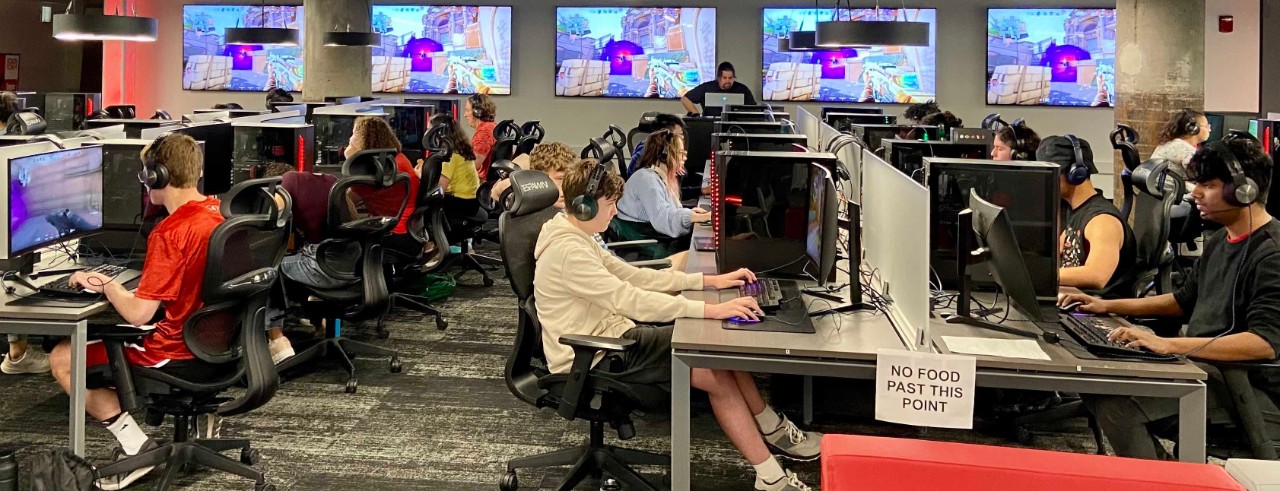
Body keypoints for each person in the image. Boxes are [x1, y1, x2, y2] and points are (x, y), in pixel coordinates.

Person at [534, 160, 822, 490]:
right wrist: (711, 310)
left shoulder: (576, 235)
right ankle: (771, 476)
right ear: (584, 207)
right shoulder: (569, 251)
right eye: (610, 204)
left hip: (610, 334)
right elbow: (630, 299)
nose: (614, 212)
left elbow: (635, 276)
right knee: (710, 364)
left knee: (718, 349)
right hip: (593, 354)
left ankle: (771, 428)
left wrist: (709, 281)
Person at [1061, 137, 1280, 460]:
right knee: (1100, 383)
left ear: (1244, 190)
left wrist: (1169, 345)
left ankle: (1167, 480)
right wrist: (1106, 305)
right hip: (1208, 369)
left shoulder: (1272, 255)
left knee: (1117, 406)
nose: (1195, 193)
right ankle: (1173, 476)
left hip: (1248, 388)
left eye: (1208, 185)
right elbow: (1181, 301)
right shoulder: (1221, 240)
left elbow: (1264, 343)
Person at [47, 134, 224, 489]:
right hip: (219, 347)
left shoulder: (171, 232)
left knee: (63, 358)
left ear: (158, 176)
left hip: (176, 352)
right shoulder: (219, 214)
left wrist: (106, 285)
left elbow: (139, 315)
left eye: (146, 173)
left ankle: (136, 446)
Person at [1038, 136, 1137, 298]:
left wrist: (1035, 276)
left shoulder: (1102, 221)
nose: (1044, 180)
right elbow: (1056, 252)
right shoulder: (1076, 211)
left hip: (1101, 307)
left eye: (1049, 173)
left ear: (1075, 174)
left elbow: (1097, 275)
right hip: (1073, 298)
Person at [613, 130, 710, 258]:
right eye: (681, 153)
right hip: (646, 244)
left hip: (650, 236)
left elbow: (667, 210)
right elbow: (664, 220)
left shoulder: (657, 176)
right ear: (665, 155)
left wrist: (691, 213)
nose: (685, 157)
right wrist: (691, 216)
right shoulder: (648, 181)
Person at [344, 116, 421, 257]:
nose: (350, 139)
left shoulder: (378, 172)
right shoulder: (396, 160)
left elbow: (347, 200)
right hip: (408, 231)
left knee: (342, 237)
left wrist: (349, 157)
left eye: (355, 134)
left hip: (395, 234)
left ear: (367, 139)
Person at [1152, 108, 1212, 182]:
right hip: (1170, 188)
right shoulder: (1183, 148)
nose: (1209, 130)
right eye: (1206, 126)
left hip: (1162, 187)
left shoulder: (1174, 143)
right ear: (1193, 128)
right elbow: (1201, 177)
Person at [680, 62, 757, 116]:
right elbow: (685, 99)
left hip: (736, 125)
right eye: (724, 78)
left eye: (730, 78)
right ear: (719, 78)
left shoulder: (742, 89)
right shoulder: (707, 87)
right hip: (710, 124)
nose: (728, 81)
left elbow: (754, 108)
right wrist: (696, 115)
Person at [464, 93, 498, 179]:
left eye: (467, 110)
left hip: (481, 180)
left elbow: (473, 165)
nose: (465, 115)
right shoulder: (491, 126)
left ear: (477, 112)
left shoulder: (484, 132)